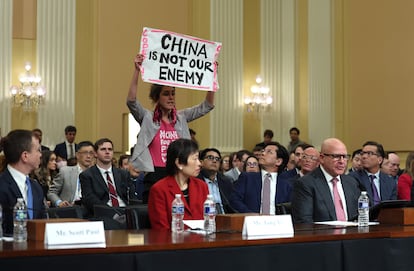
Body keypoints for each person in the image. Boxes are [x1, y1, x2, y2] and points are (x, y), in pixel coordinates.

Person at [127, 54, 215, 203]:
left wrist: (212, 77)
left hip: (178, 174)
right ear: (157, 97)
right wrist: (137, 71)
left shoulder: (181, 117)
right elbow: (131, 102)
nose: (171, 98)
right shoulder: (147, 118)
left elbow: (206, 106)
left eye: (173, 94)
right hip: (154, 174)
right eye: (166, 94)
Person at [291, 138, 360, 224]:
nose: (342, 161)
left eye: (345, 157)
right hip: (322, 235)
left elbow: (359, 215)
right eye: (336, 157)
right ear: (322, 158)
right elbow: (304, 223)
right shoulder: (306, 184)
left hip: (352, 235)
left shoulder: (351, 182)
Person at [148, 138, 209, 230]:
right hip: (173, 241)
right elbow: (161, 228)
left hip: (202, 241)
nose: (199, 163)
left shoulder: (202, 186)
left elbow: (208, 220)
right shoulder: (159, 189)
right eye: (195, 159)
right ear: (179, 163)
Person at [0, 129, 46, 236]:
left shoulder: (36, 187)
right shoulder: (2, 186)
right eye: (38, 150)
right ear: (25, 156)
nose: (40, 155)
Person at [79, 138, 137, 217]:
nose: (107, 152)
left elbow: (132, 196)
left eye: (110, 149)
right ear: (95, 154)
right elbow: (90, 200)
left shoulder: (123, 174)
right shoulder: (87, 175)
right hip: (103, 214)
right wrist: (113, 214)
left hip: (125, 212)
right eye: (103, 149)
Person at [230, 142, 292, 214]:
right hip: (251, 221)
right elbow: (234, 200)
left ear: (278, 161)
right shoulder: (247, 178)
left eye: (269, 152)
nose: (263, 154)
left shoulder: (287, 185)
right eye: (263, 151)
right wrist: (251, 215)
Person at [47, 141, 95, 207]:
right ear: (77, 155)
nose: (88, 156)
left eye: (91, 153)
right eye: (85, 153)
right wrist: (59, 202)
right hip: (68, 209)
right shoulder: (65, 171)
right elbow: (52, 192)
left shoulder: (96, 175)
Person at [349, 141, 397, 207]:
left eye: (369, 153)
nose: (364, 157)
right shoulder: (353, 178)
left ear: (379, 160)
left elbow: (392, 208)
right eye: (363, 153)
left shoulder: (390, 182)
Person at [198, 148, 236, 214]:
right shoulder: (195, 181)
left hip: (225, 218)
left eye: (217, 159)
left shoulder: (226, 181)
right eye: (210, 157)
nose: (214, 161)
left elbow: (232, 205)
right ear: (201, 162)